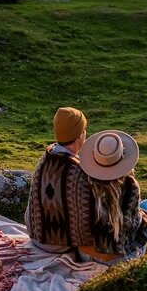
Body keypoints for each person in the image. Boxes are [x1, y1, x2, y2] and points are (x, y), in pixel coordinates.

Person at [76, 129, 147, 263]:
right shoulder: (130, 186)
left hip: (84, 254)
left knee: (145, 208)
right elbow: (131, 227)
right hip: (118, 259)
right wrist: (143, 217)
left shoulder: (82, 182)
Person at [25, 107, 92, 254]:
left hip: (37, 238)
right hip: (63, 245)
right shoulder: (78, 170)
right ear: (80, 134)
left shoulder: (45, 158)